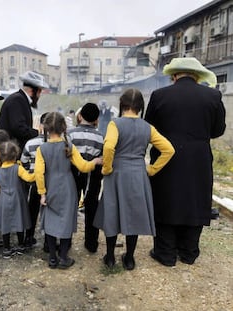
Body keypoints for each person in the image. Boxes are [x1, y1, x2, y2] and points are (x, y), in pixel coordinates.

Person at [145, 57, 226, 266]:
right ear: (197, 76)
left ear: (174, 75)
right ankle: (189, 252)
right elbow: (218, 130)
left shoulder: (159, 95)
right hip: (198, 157)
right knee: (195, 199)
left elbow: (149, 129)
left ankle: (166, 253)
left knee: (166, 199)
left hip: (166, 156)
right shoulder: (213, 96)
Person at [93, 89, 175, 270]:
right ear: (140, 106)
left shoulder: (115, 124)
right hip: (138, 174)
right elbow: (169, 149)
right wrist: (152, 169)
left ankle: (110, 257)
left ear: (122, 104)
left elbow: (108, 148)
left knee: (112, 213)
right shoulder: (148, 127)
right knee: (134, 215)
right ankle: (129, 259)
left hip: (117, 174)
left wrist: (107, 168)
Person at [34, 112, 102, 269]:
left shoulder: (42, 149)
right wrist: (95, 161)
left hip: (50, 187)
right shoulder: (68, 147)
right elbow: (83, 166)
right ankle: (64, 257)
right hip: (68, 188)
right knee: (66, 220)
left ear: (45, 128)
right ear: (64, 127)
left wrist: (42, 193)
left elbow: (38, 173)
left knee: (50, 221)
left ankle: (52, 258)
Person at [67, 103, 104, 253]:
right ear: (96, 119)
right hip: (93, 175)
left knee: (70, 205)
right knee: (92, 207)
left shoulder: (70, 134)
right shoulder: (101, 137)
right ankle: (91, 243)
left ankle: (66, 240)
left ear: (80, 116)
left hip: (72, 173)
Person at [0, 140, 35, 259]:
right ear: (15, 155)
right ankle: (20, 245)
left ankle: (6, 248)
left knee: (5, 223)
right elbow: (29, 178)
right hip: (18, 198)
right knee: (19, 219)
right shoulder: (18, 168)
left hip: (4, 199)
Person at [0, 71, 49, 151]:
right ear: (35, 90)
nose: (39, 95)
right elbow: (18, 128)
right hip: (9, 152)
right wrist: (38, 132)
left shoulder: (21, 99)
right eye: (39, 92)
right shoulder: (17, 100)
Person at [20, 112, 48, 247]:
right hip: (52, 183)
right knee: (50, 211)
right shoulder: (61, 144)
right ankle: (49, 240)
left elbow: (23, 161)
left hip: (35, 182)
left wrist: (30, 172)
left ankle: (29, 236)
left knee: (32, 209)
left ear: (41, 125)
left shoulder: (31, 143)